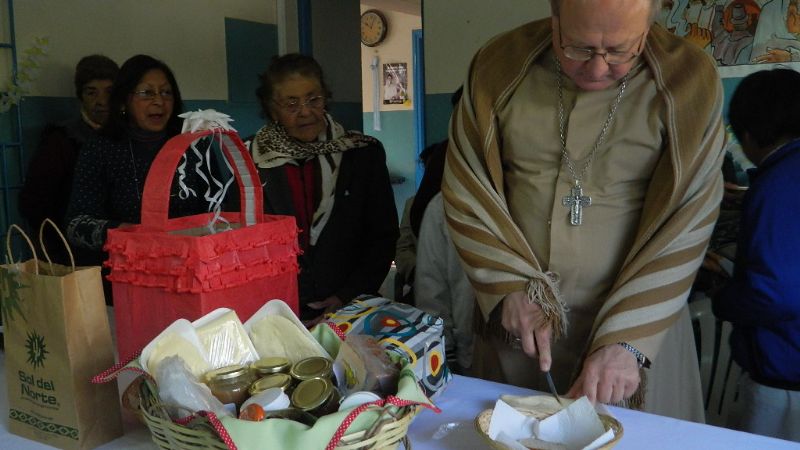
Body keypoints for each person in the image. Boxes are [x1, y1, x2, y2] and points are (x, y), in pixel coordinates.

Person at [443, 0, 725, 422]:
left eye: (619, 51)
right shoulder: (498, 65)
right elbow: (466, 186)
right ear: (554, 17)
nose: (596, 69)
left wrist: (629, 341)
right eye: (577, 48)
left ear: (648, 26)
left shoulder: (689, 81)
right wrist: (504, 285)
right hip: (519, 324)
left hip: (639, 329)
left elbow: (689, 217)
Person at [251, 53, 398, 325]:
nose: (305, 111)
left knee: (352, 368)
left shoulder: (361, 154)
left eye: (313, 99)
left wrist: (346, 296)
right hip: (275, 313)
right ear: (273, 109)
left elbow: (382, 236)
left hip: (350, 309)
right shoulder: (250, 161)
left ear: (325, 98)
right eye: (291, 103)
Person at [65, 54, 211, 302]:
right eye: (147, 93)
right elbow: (75, 225)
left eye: (166, 93)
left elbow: (218, 208)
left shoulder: (194, 146)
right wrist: (120, 232)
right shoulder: (101, 150)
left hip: (193, 279)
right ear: (124, 101)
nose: (158, 102)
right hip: (131, 284)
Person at [711, 68, 800, 443]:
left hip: (783, 377)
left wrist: (722, 294)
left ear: (748, 133)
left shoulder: (777, 183)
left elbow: (774, 294)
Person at [19, 54, 118, 265]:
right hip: (73, 252)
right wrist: (55, 250)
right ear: (80, 96)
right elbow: (35, 204)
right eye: (92, 93)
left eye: (109, 92)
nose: (101, 101)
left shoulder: (128, 138)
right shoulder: (62, 140)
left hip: (120, 250)